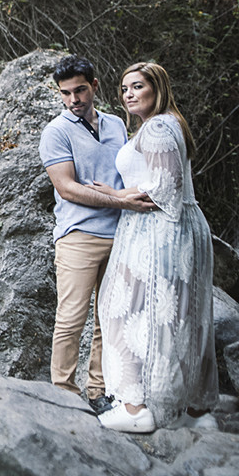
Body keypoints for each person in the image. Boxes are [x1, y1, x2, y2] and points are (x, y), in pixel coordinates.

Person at [90, 62, 219, 433]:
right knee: (177, 316)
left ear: (156, 88)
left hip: (160, 230)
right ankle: (190, 410)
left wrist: (114, 195)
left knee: (127, 311)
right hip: (170, 227)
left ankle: (136, 409)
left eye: (137, 86)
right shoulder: (163, 125)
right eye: (124, 88)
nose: (128, 94)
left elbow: (166, 187)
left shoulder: (160, 126)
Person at [39, 55, 155, 415]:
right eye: (66, 93)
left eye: (80, 90)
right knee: (71, 318)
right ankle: (63, 394)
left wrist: (128, 196)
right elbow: (68, 188)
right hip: (78, 236)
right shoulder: (56, 131)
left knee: (110, 319)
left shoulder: (117, 124)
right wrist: (120, 198)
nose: (73, 99)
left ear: (95, 86)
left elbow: (124, 177)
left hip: (121, 234)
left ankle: (97, 391)